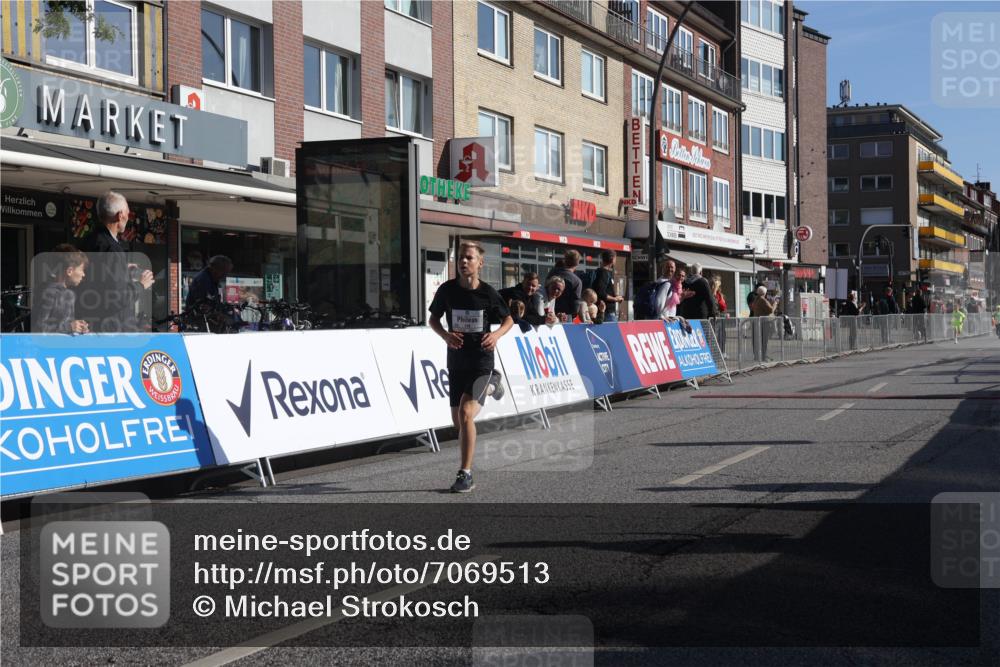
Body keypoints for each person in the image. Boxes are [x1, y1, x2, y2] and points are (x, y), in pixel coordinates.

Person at [428, 241, 514, 493]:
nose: (463, 262)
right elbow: (433, 318)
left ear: (480, 263)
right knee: (459, 422)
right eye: (461, 259)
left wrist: (496, 335)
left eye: (469, 258)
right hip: (456, 362)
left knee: (466, 414)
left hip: (481, 361)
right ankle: (492, 386)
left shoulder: (488, 293)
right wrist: (445, 335)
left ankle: (465, 474)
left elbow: (508, 319)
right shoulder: (447, 290)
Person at [80, 190, 155, 332]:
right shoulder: (112, 249)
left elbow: (98, 279)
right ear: (120, 215)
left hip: (92, 323)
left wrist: (122, 270)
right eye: (128, 213)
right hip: (113, 329)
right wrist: (141, 284)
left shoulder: (90, 240)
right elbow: (116, 298)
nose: (128, 217)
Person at [36, 244, 90, 334]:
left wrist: (79, 328)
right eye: (81, 269)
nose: (83, 274)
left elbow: (63, 327)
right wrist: (69, 327)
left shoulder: (68, 294)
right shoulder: (48, 293)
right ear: (69, 271)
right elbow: (38, 328)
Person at [550, 250, 584, 317]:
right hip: (566, 316)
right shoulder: (576, 281)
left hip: (549, 313)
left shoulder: (552, 273)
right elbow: (575, 306)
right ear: (577, 263)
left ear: (564, 260)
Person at [593, 250, 623, 322]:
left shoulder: (604, 272)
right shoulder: (604, 273)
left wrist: (615, 296)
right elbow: (601, 293)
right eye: (615, 258)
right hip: (606, 312)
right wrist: (615, 299)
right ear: (612, 259)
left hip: (605, 311)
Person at [750, 285, 777, 361]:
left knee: (758, 340)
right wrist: (775, 304)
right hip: (764, 323)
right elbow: (770, 310)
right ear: (764, 293)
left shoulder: (756, 299)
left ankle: (757, 356)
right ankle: (763, 356)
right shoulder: (762, 300)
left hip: (758, 322)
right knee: (764, 340)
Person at [710, 274, 727, 355]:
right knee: (714, 336)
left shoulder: (720, 294)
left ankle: (722, 352)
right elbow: (712, 302)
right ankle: (714, 353)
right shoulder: (711, 293)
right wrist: (714, 289)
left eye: (718, 282)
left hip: (721, 317)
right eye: (715, 283)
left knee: (722, 336)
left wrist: (726, 313)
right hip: (714, 318)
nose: (717, 284)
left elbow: (723, 306)